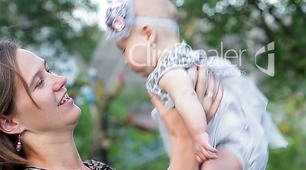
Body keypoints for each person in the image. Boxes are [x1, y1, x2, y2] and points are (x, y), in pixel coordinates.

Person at [105, 0, 288, 170]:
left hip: (224, 143)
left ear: (148, 34)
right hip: (234, 138)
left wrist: (199, 135)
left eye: (124, 50)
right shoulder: (184, 58)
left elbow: (186, 95)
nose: (126, 61)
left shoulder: (167, 71)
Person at [0, 40, 223, 170]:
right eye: (39, 83)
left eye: (48, 70)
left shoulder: (97, 168)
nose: (60, 80)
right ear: (10, 122)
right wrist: (184, 138)